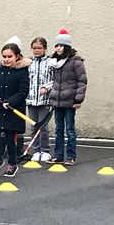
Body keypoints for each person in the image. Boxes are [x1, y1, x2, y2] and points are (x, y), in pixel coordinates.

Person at [0, 36, 30, 177]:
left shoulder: (22, 72)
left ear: (17, 57)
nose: (6, 59)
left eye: (9, 56)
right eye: (4, 56)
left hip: (12, 111)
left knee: (10, 139)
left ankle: (12, 163)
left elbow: (23, 92)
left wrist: (10, 102)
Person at [46, 29, 87, 166]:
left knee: (70, 129)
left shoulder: (76, 62)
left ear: (67, 46)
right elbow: (54, 81)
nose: (58, 48)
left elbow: (82, 81)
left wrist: (78, 99)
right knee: (58, 129)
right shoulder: (55, 62)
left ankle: (70, 156)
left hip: (70, 101)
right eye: (57, 45)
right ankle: (58, 155)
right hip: (57, 101)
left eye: (61, 45)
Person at [25, 36, 54, 161]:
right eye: (34, 48)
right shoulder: (28, 63)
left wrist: (46, 88)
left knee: (44, 127)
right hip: (31, 100)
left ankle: (45, 150)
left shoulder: (50, 63)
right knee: (33, 126)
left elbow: (55, 79)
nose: (36, 50)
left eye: (39, 48)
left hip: (44, 100)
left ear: (45, 49)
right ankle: (36, 150)